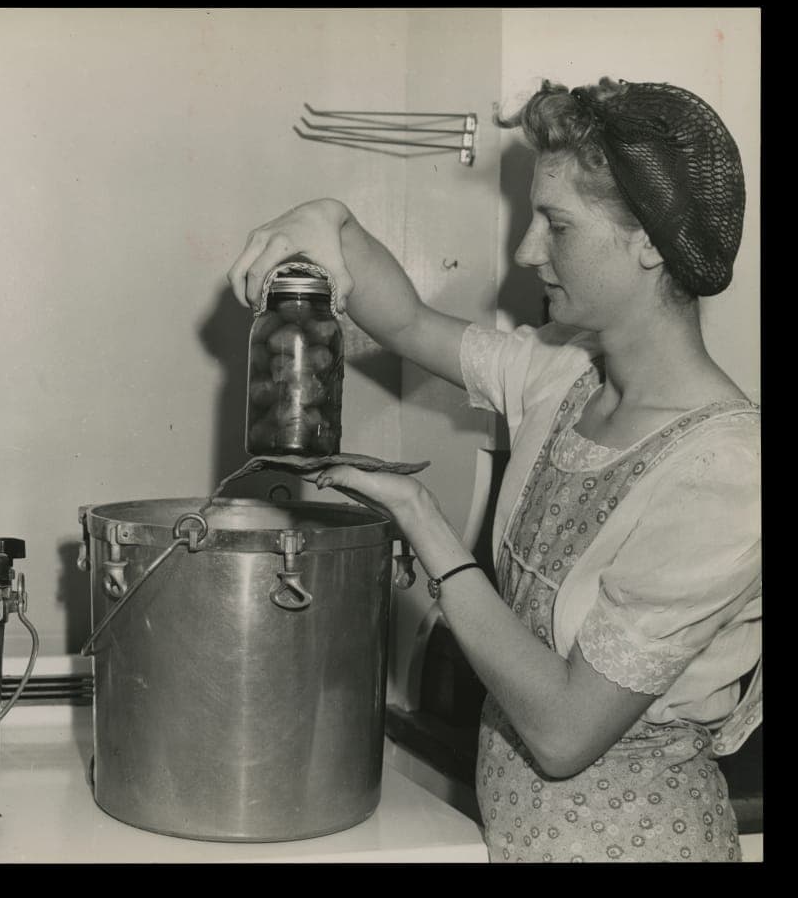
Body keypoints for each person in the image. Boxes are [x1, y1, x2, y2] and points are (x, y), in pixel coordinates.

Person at [227, 78, 761, 863]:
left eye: (556, 224)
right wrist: (329, 223)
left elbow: (564, 732)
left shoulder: (726, 473)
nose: (525, 251)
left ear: (650, 241)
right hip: (517, 837)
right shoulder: (563, 375)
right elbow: (404, 319)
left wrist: (424, 521)